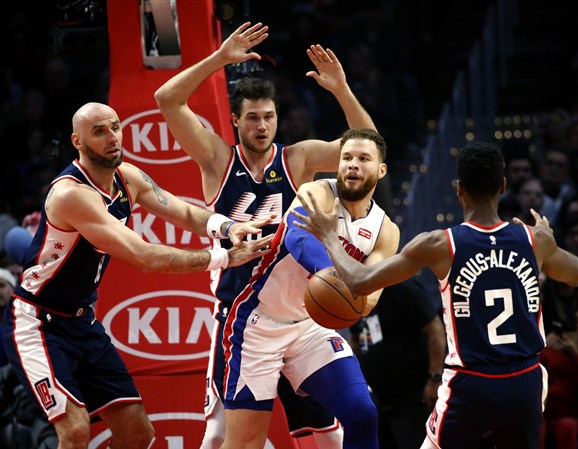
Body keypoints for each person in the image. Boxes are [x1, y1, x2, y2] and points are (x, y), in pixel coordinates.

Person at [154, 21, 377, 448]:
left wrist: (342, 90)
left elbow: (367, 149)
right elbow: (167, 99)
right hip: (246, 319)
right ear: (235, 120)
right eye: (252, 118)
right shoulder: (217, 159)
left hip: (304, 315)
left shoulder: (298, 159)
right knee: (221, 437)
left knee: (343, 427)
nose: (262, 126)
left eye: (269, 117)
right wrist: (220, 58)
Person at [1, 102, 273, 449]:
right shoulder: (72, 195)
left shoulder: (127, 178)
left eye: (115, 127)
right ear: (77, 142)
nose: (112, 137)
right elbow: (143, 257)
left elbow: (185, 212)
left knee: (137, 432)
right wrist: (223, 258)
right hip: (38, 322)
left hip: (81, 322)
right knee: (75, 430)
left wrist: (228, 226)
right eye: (99, 132)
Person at [292, 141, 578, 449]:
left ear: (459, 189)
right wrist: (550, 242)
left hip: (472, 382)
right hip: (525, 379)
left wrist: (329, 235)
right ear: (502, 186)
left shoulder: (439, 244)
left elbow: (358, 281)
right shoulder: (534, 240)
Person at [218, 128, 399, 449]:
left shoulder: (385, 231)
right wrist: (334, 276)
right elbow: (298, 238)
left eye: (363, 159)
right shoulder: (317, 192)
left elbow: (366, 299)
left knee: (362, 413)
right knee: (245, 443)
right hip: (259, 325)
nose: (352, 164)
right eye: (347, 158)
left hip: (310, 327)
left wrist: (333, 253)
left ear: (381, 170)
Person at [350, 278, 446, 449]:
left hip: (413, 396)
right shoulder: (359, 298)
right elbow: (358, 340)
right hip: (380, 399)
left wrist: (435, 378)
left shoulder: (401, 287)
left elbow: (436, 332)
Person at [539, 296, 578, 449]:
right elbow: (539, 368)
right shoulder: (560, 339)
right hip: (545, 410)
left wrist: (575, 357)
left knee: (566, 427)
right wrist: (544, 346)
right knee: (534, 422)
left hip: (574, 418)